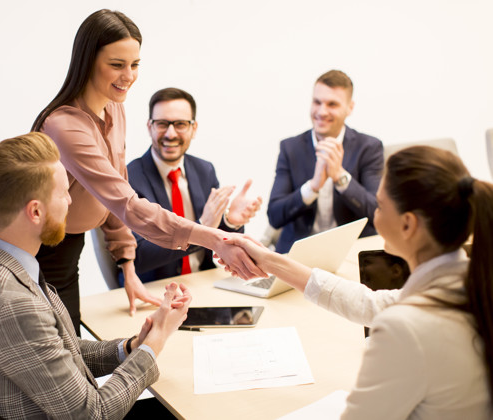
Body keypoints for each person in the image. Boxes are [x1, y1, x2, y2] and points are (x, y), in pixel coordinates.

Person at [31, 9, 263, 331]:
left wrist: (127, 267)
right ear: (87, 61)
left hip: (70, 248)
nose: (129, 76)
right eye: (116, 65)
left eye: (135, 64)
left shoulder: (115, 108)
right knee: (60, 348)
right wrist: (215, 236)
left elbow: (111, 196)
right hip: (42, 252)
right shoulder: (65, 126)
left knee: (70, 341)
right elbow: (127, 204)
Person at [223, 146, 493, 419]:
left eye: (381, 205)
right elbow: (370, 303)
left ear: (408, 225)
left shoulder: (406, 328)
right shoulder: (475, 284)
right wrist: (270, 261)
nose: (375, 212)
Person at [0, 132, 190, 419]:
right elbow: (94, 414)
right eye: (64, 193)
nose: (70, 202)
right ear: (35, 212)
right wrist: (156, 343)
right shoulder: (12, 303)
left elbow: (61, 350)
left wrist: (132, 347)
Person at [126, 87, 262, 283]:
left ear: (194, 128)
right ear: (150, 127)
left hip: (203, 283)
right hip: (154, 288)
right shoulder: (130, 178)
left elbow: (218, 239)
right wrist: (201, 228)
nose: (171, 134)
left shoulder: (204, 170)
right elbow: (137, 256)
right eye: (162, 124)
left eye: (180, 124)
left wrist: (231, 222)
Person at [267, 69, 384, 253]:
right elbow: (275, 215)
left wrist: (340, 177)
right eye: (317, 102)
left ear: (349, 108)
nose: (322, 111)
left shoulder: (369, 147)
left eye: (332, 104)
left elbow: (377, 214)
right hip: (299, 255)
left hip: (351, 253)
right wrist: (312, 187)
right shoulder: (290, 148)